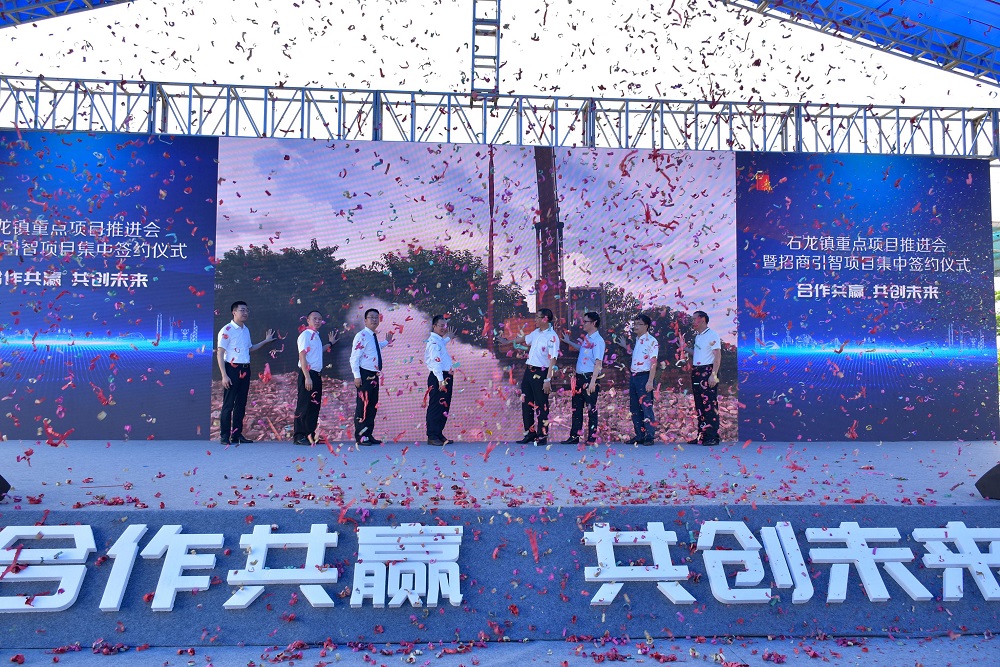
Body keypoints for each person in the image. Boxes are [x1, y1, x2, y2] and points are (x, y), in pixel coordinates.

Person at [216, 301, 276, 444]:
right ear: (234, 312)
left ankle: (237, 435)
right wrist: (224, 375)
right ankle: (224, 436)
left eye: (247, 310)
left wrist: (265, 341)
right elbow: (220, 353)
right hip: (232, 368)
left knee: (241, 403)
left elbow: (250, 349)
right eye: (242, 310)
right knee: (228, 404)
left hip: (245, 368)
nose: (245, 313)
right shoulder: (227, 330)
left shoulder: (245, 330)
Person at [502, 309, 560, 446]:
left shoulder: (552, 337)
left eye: (538, 318)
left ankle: (542, 435)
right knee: (526, 403)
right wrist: (507, 342)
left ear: (545, 319)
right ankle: (530, 433)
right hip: (529, 370)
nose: (535, 320)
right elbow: (524, 339)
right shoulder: (536, 332)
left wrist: (548, 379)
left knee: (541, 404)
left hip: (541, 372)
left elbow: (553, 359)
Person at [293, 310, 340, 445]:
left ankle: (310, 435)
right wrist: (307, 377)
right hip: (308, 374)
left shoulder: (316, 336)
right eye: (315, 319)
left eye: (320, 319)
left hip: (316, 375)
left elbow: (318, 351)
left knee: (314, 406)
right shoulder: (305, 335)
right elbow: (302, 356)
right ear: (308, 320)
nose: (318, 321)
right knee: (304, 405)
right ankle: (299, 436)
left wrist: (330, 343)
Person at [349, 307, 394, 446]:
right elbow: (354, 358)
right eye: (371, 317)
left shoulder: (372, 336)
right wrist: (357, 376)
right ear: (365, 320)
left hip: (374, 375)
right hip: (364, 374)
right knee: (363, 406)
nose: (374, 320)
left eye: (376, 317)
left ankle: (368, 434)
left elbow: (374, 348)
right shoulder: (361, 335)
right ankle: (361, 437)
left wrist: (386, 342)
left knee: (372, 406)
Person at [560, 311, 605, 444]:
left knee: (591, 408)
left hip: (590, 377)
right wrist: (569, 342)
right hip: (579, 377)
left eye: (586, 322)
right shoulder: (588, 338)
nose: (583, 324)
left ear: (594, 323)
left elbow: (598, 363)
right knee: (577, 408)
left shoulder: (598, 341)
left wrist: (593, 382)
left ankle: (592, 437)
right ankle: (574, 436)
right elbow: (582, 349)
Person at [687, 310, 722, 446]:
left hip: (707, 371)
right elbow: (698, 354)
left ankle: (712, 436)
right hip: (697, 371)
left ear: (702, 319)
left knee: (709, 405)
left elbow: (717, 356)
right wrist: (685, 349)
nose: (692, 322)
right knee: (700, 405)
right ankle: (702, 436)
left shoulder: (712, 335)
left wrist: (713, 375)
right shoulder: (698, 337)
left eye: (694, 319)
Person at [628, 314, 659, 445]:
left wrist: (650, 381)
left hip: (644, 377)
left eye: (639, 324)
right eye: (634, 324)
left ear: (646, 326)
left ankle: (649, 436)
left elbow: (653, 362)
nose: (635, 326)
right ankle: (639, 435)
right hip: (634, 376)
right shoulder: (637, 340)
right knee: (635, 408)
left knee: (646, 407)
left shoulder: (652, 341)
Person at [424, 314, 454, 446]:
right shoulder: (434, 342)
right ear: (434, 326)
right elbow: (436, 363)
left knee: (443, 406)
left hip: (445, 376)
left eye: (445, 325)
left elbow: (442, 344)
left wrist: (448, 338)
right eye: (441, 326)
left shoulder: (439, 341)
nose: (444, 328)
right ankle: (432, 435)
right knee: (436, 406)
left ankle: (438, 433)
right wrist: (441, 380)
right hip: (438, 377)